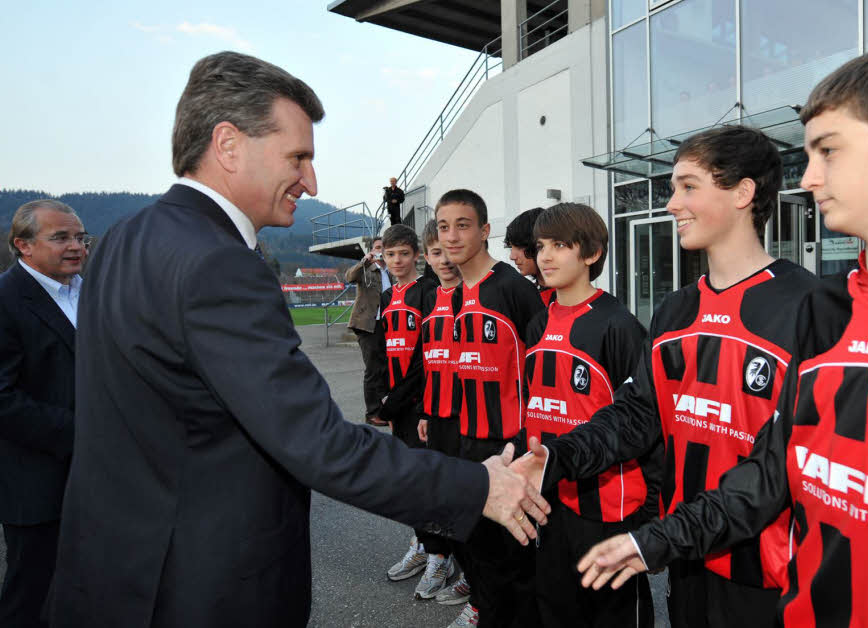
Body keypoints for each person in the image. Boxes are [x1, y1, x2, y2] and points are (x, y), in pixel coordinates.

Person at [48, 51, 549, 628]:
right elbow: (316, 440)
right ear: (229, 144)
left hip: (116, 570)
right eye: (298, 156)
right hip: (197, 587)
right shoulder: (219, 263)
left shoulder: (121, 240)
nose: (311, 181)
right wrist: (478, 486)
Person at [570, 41, 868, 626]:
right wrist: (653, 540)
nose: (808, 178)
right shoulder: (828, 308)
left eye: (829, 152)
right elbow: (770, 473)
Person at [513, 125, 819, 627]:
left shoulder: (809, 307)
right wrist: (557, 457)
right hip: (686, 556)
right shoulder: (677, 308)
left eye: (688, 186)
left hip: (772, 571)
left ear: (743, 193)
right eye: (673, 188)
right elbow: (637, 414)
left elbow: (791, 462)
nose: (672, 203)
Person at [521, 203, 657, 627]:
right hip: (549, 501)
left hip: (610, 507)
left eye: (560, 245)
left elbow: (645, 422)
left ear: (592, 253)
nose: (545, 256)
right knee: (556, 606)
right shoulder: (536, 324)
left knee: (614, 615)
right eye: (541, 246)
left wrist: (650, 514)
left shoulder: (618, 326)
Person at [435, 189, 546, 627]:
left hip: (510, 449)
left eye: (463, 225)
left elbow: (542, 368)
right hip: (468, 442)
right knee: (478, 551)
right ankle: (482, 609)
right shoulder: (460, 293)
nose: (452, 236)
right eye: (444, 227)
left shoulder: (514, 289)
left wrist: (529, 444)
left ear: (484, 231)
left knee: (514, 564)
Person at [0, 200, 89, 628]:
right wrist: (84, 434)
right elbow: (3, 400)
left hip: (98, 478)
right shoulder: (5, 300)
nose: (75, 246)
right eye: (60, 238)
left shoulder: (90, 292)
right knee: (31, 598)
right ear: (23, 245)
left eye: (79, 237)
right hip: (36, 484)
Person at [376, 223, 449, 594]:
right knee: (407, 480)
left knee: (425, 481)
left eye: (404, 253)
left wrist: (407, 403)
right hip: (398, 406)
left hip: (420, 402)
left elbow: (426, 356)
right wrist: (380, 399)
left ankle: (440, 556)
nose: (398, 260)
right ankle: (421, 545)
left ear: (417, 256)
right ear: (382, 257)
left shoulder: (429, 292)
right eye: (391, 255)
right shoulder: (388, 298)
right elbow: (380, 351)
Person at [415, 219, 469, 603]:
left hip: (474, 420)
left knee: (474, 500)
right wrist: (423, 411)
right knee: (443, 495)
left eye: (449, 250)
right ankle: (443, 560)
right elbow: (426, 363)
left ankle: (482, 586)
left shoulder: (476, 295)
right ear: (428, 258)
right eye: (436, 251)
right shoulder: (427, 300)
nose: (445, 258)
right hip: (437, 417)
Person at [345, 236, 390, 426]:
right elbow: (349, 277)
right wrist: (365, 261)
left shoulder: (390, 272)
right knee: (372, 369)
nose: (380, 250)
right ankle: (372, 413)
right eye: (378, 247)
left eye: (383, 248)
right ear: (372, 250)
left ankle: (383, 406)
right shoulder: (366, 268)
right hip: (366, 324)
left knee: (385, 366)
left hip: (385, 325)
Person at [504, 207, 553, 305]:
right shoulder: (523, 294)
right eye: (511, 247)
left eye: (519, 246)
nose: (512, 256)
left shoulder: (567, 297)